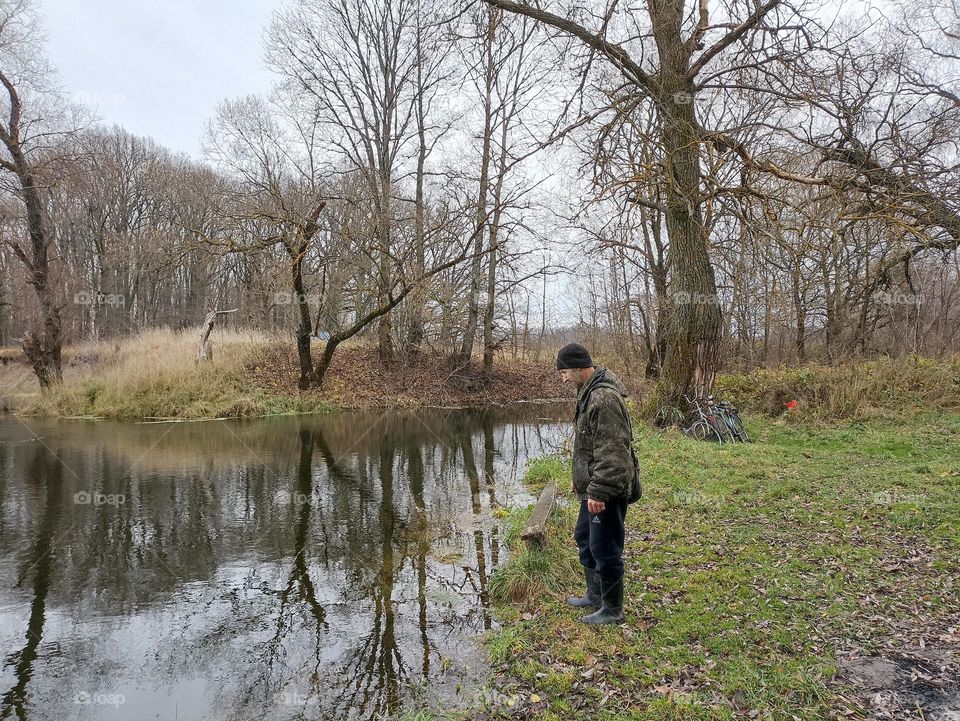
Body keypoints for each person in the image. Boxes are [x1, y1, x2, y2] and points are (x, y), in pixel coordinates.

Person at [556, 342, 635, 625]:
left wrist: (599, 490)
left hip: (607, 491)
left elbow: (613, 452)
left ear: (578, 367)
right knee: (585, 539)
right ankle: (595, 596)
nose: (562, 378)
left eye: (564, 371)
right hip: (592, 489)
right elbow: (588, 446)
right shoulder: (587, 394)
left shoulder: (603, 399)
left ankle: (612, 610)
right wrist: (582, 483)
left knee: (606, 548)